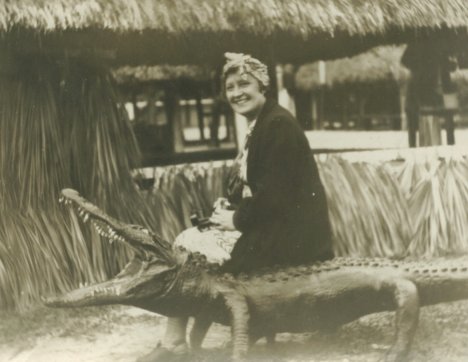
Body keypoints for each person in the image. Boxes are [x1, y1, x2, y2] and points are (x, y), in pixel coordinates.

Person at [148, 52, 334, 360]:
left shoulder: (277, 126)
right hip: (276, 226)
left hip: (293, 239)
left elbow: (277, 196)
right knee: (190, 239)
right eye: (230, 87)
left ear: (263, 86)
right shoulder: (263, 123)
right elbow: (262, 188)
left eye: (244, 84)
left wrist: (235, 219)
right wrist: (230, 208)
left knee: (187, 245)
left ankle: (174, 341)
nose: (237, 93)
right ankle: (176, 339)